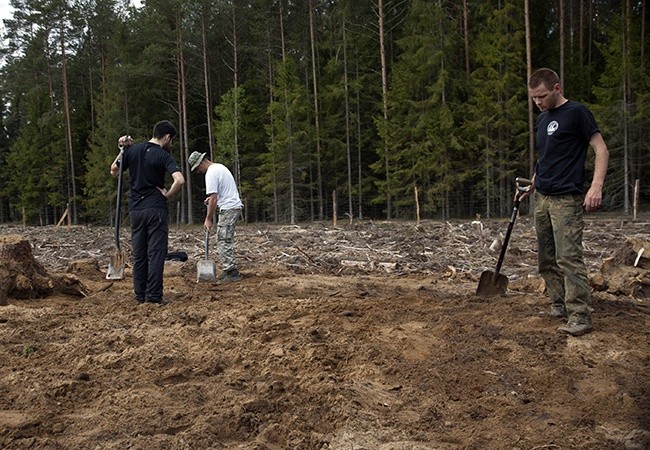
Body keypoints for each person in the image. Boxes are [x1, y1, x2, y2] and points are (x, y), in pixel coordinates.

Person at [524, 68, 609, 336]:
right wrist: (533, 184)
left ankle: (581, 315)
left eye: (542, 96)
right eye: (534, 98)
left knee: (568, 258)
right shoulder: (542, 120)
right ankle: (558, 304)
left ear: (557, 88)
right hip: (543, 198)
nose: (538, 102)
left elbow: (601, 149)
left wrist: (596, 186)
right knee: (546, 257)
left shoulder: (577, 113)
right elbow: (546, 157)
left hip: (566, 200)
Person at [110, 120, 185, 304]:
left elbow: (113, 171)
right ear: (167, 137)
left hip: (136, 210)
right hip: (155, 209)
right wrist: (167, 194)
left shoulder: (132, 151)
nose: (171, 144)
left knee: (140, 254)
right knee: (156, 253)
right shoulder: (163, 155)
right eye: (172, 140)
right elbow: (180, 180)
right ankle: (153, 297)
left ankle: (140, 294)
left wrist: (122, 149)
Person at [188, 151, 243, 283]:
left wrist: (208, 218)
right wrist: (211, 200)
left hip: (229, 208)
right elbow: (217, 195)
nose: (198, 171)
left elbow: (214, 198)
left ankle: (231, 272)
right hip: (231, 206)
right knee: (223, 238)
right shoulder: (219, 167)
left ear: (201, 163)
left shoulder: (211, 173)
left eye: (197, 168)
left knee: (223, 240)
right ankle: (228, 270)